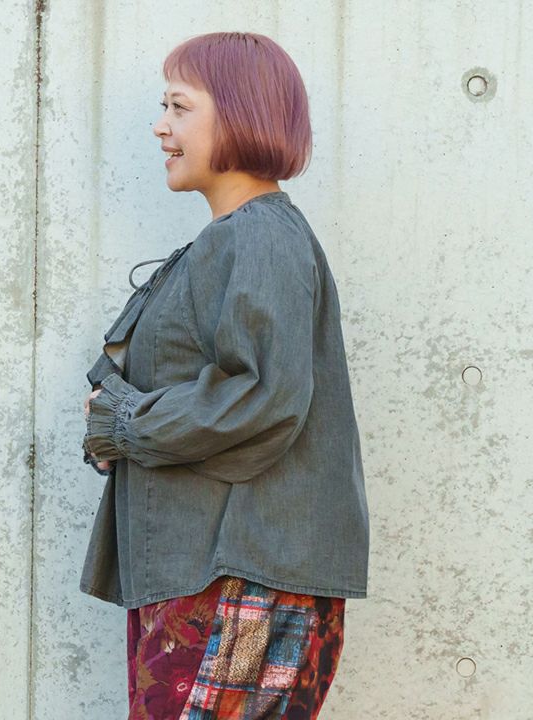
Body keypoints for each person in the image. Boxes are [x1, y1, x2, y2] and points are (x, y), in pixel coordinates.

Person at [81, 31, 369, 720]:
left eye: (179, 107)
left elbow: (260, 396)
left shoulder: (258, 236)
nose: (161, 127)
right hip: (210, 574)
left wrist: (123, 424)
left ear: (241, 114)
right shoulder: (230, 239)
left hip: (239, 578)